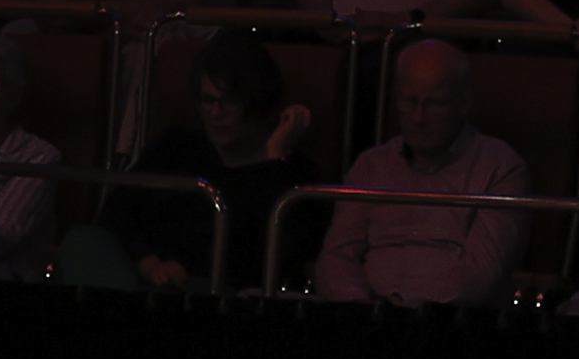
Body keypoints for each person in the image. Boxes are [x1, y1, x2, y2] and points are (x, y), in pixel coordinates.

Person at [88, 23, 320, 291]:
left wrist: (274, 159)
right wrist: (149, 264)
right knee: (84, 241)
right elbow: (116, 214)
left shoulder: (293, 172)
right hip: (141, 281)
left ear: (256, 101)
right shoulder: (175, 147)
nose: (216, 113)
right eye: (208, 101)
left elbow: (270, 258)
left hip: (216, 294)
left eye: (229, 101)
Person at [318, 35, 533, 309]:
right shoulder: (371, 165)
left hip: (450, 326)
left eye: (435, 103)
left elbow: (482, 273)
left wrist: (411, 312)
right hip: (365, 320)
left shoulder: (501, 167)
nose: (418, 117)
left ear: (464, 103)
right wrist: (356, 303)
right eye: (409, 101)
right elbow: (338, 255)